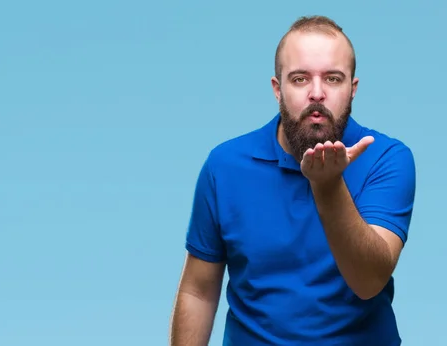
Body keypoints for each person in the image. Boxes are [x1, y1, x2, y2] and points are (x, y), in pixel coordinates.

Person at [169, 15, 416, 346]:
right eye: (300, 79)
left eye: (332, 79)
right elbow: (198, 292)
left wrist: (328, 185)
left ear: (352, 89)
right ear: (277, 89)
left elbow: (369, 280)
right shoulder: (224, 166)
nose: (317, 94)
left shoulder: (387, 158)